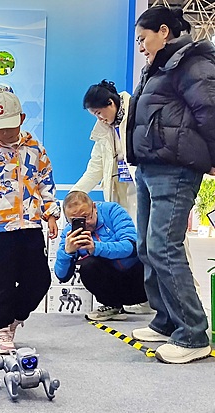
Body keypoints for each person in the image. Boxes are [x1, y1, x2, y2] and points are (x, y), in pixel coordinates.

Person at [127, 6, 215, 363]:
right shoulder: (157, 66)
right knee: (147, 247)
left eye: (143, 38)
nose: (140, 46)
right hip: (151, 165)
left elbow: (209, 111)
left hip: (175, 169)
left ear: (164, 31)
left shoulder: (192, 62)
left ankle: (193, 334)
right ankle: (166, 320)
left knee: (164, 247)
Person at [0, 90, 60, 354]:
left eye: (10, 126)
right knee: (0, 282)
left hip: (31, 226)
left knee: (40, 279)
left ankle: (14, 319)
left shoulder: (35, 148)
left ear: (22, 118)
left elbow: (45, 182)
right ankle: (1, 329)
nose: (5, 133)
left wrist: (51, 214)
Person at [54, 191, 148, 321]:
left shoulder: (112, 210)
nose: (85, 223)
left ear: (94, 207)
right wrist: (67, 253)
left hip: (138, 277)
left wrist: (96, 248)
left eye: (86, 216)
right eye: (75, 221)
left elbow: (131, 246)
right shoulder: (69, 233)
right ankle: (112, 305)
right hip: (113, 284)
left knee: (149, 253)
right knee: (87, 265)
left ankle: (151, 301)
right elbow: (62, 276)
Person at [72, 80, 136, 217]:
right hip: (119, 194)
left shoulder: (138, 116)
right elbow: (95, 169)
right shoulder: (103, 130)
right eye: (95, 115)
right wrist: (74, 194)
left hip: (140, 190)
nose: (99, 119)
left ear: (110, 103)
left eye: (99, 113)